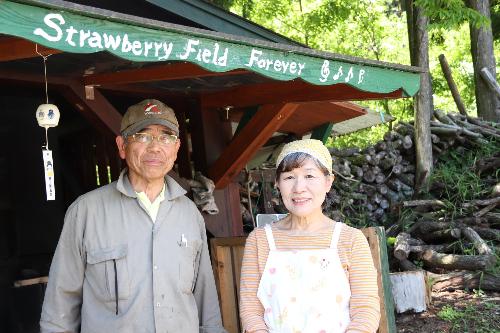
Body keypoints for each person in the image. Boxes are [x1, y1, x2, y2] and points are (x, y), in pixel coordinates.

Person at [40, 99, 226, 333]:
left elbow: (205, 301)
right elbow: (60, 305)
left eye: (165, 137)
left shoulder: (189, 214)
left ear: (176, 148)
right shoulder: (86, 211)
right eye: (143, 136)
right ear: (121, 146)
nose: (155, 147)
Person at [239, 139, 380, 333]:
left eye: (309, 176)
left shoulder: (351, 240)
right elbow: (251, 312)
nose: (299, 188)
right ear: (278, 184)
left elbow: (365, 311)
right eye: (289, 177)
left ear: (328, 182)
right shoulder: (259, 240)